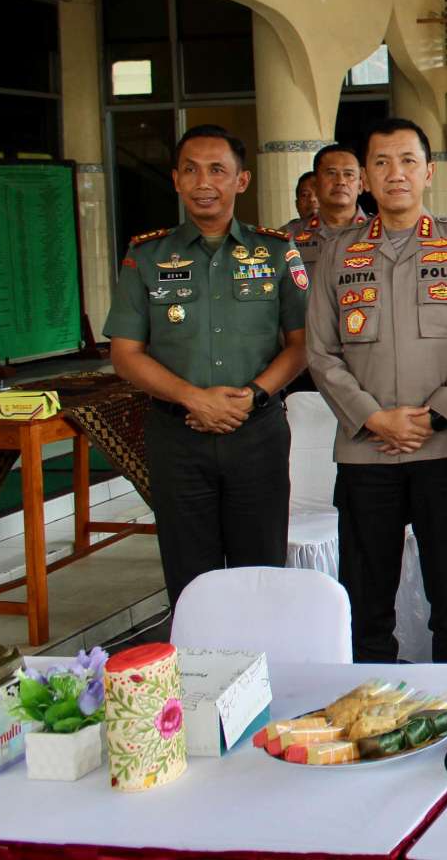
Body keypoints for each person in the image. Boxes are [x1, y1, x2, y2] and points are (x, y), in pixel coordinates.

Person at [307, 118, 447, 663]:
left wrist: (432, 418)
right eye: (382, 163)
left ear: (429, 172)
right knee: (365, 602)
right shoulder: (338, 253)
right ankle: (370, 714)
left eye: (408, 161)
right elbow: (321, 353)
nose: (396, 174)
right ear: (366, 177)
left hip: (444, 451)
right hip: (366, 454)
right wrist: (374, 419)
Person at [105, 124, 307, 607]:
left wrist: (252, 396)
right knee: (189, 577)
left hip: (256, 432)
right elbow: (124, 353)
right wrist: (193, 398)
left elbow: (301, 345)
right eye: (191, 170)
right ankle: (196, 678)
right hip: (178, 438)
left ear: (242, 180)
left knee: (260, 574)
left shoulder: (277, 251)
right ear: (175, 180)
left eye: (218, 170)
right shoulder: (146, 256)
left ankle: (264, 675)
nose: (203, 182)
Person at [284, 144, 368, 280]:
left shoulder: (383, 233)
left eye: (349, 174)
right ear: (316, 185)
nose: (340, 181)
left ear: (360, 185)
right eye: (331, 173)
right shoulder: (288, 237)